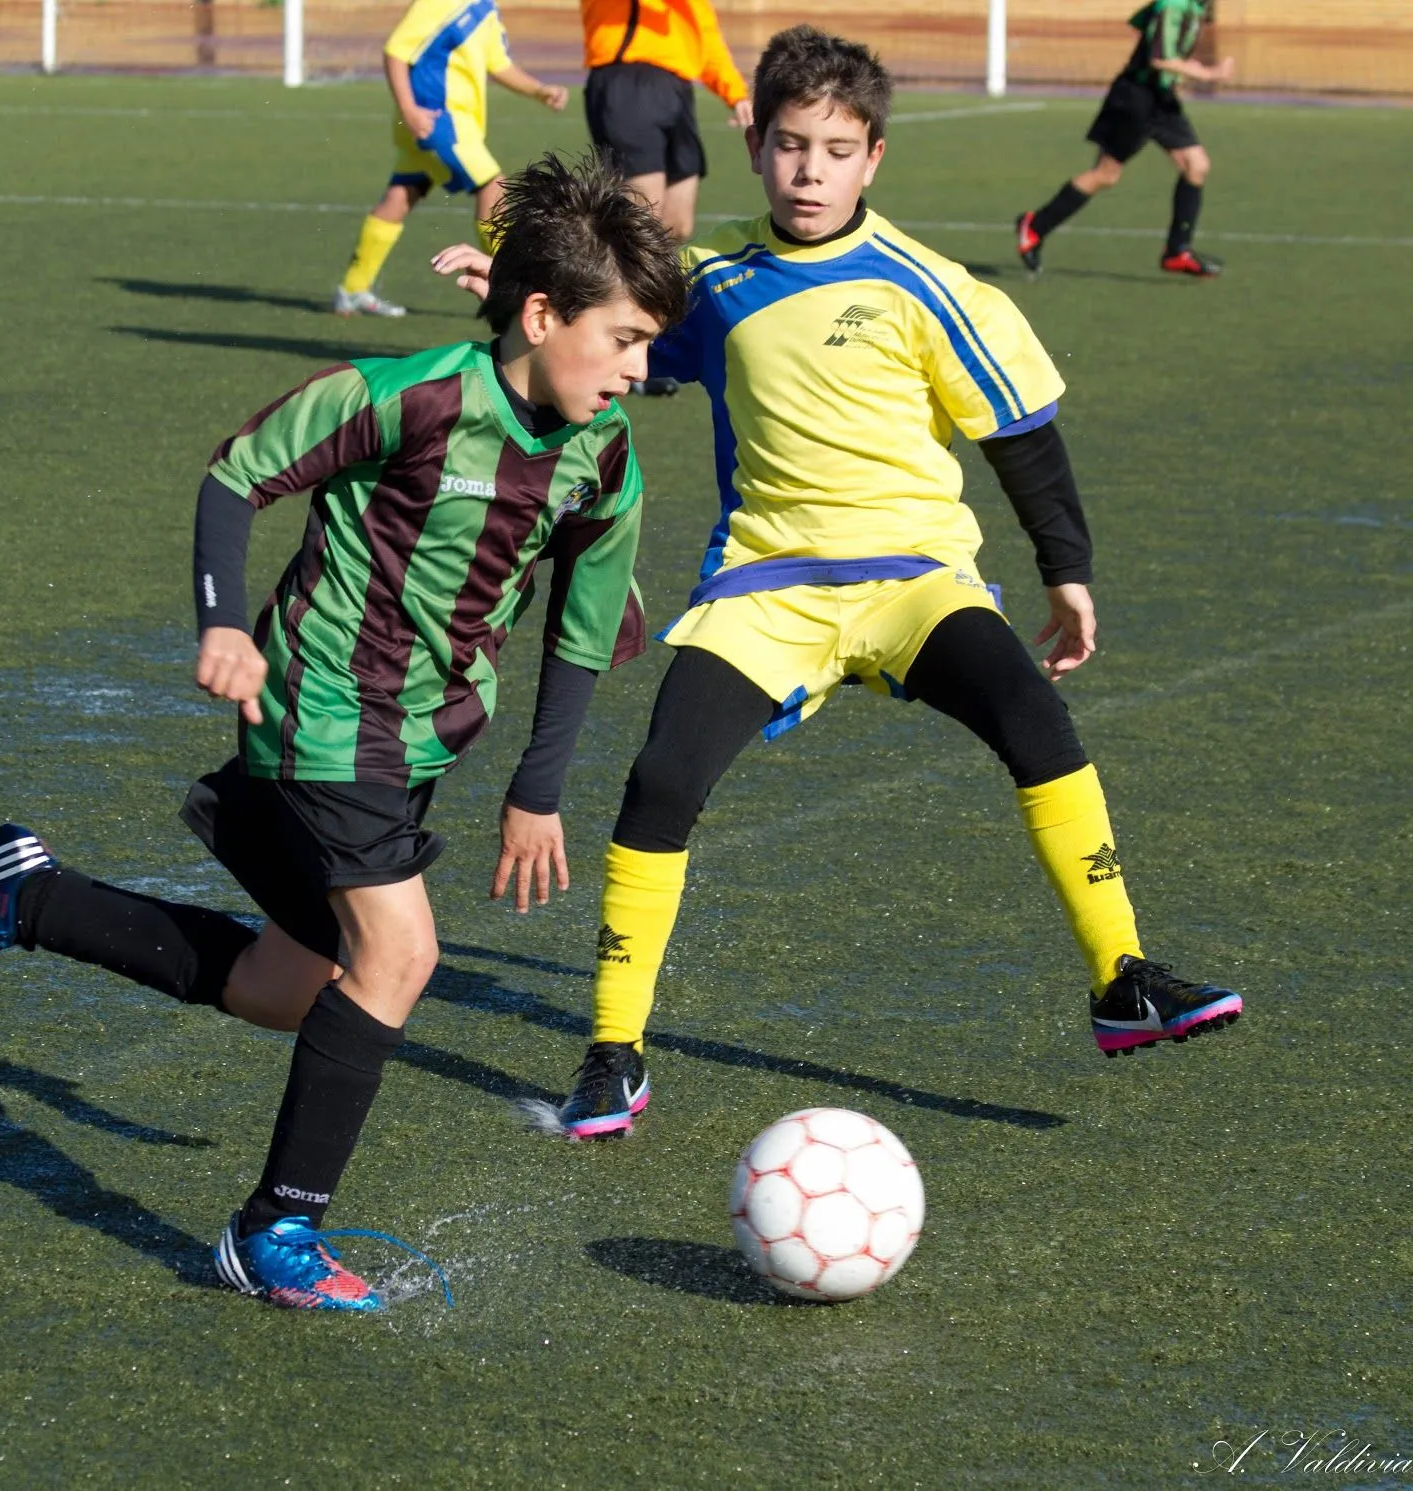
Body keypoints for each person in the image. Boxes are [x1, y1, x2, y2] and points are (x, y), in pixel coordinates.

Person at [436, 26, 1243, 1142]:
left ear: (874, 159)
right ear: (755, 145)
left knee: (1033, 716)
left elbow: (1021, 437)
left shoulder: (927, 285)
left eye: (835, 148)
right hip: (764, 588)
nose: (809, 170)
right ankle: (613, 1055)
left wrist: (1068, 577)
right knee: (661, 780)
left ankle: (1124, 981)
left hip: (914, 576)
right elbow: (614, 333)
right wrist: (517, 290)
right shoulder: (709, 274)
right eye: (788, 145)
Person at [0, 153, 688, 1306]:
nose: (636, 369)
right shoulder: (411, 398)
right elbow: (238, 475)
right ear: (540, 314)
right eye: (621, 338)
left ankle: (27, 896)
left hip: (419, 739)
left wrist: (538, 787)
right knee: (402, 957)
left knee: (294, 983)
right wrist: (225, 625)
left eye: (646, 345)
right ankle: (272, 1231)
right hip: (321, 709)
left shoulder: (602, 457)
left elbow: (581, 631)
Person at [333, 0, 568, 318]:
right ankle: (515, 290)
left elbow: (499, 64)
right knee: (492, 186)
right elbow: (395, 51)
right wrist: (409, 110)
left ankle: (352, 289)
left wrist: (539, 90)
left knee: (401, 194)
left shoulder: (485, 8)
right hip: (439, 123)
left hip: (441, 125)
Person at [580, 0, 753, 394]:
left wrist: (734, 91)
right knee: (642, 220)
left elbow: (703, 34)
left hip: (676, 87)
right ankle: (618, 348)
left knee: (675, 223)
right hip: (627, 76)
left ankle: (629, 332)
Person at [1016, 0, 1233, 279]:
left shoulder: (1196, 7)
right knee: (1106, 174)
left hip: (1161, 99)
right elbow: (1159, 57)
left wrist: (1182, 68)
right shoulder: (1173, 6)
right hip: (1135, 98)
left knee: (1197, 165)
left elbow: (1142, 25)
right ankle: (1035, 226)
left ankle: (1177, 251)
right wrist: (1208, 74)